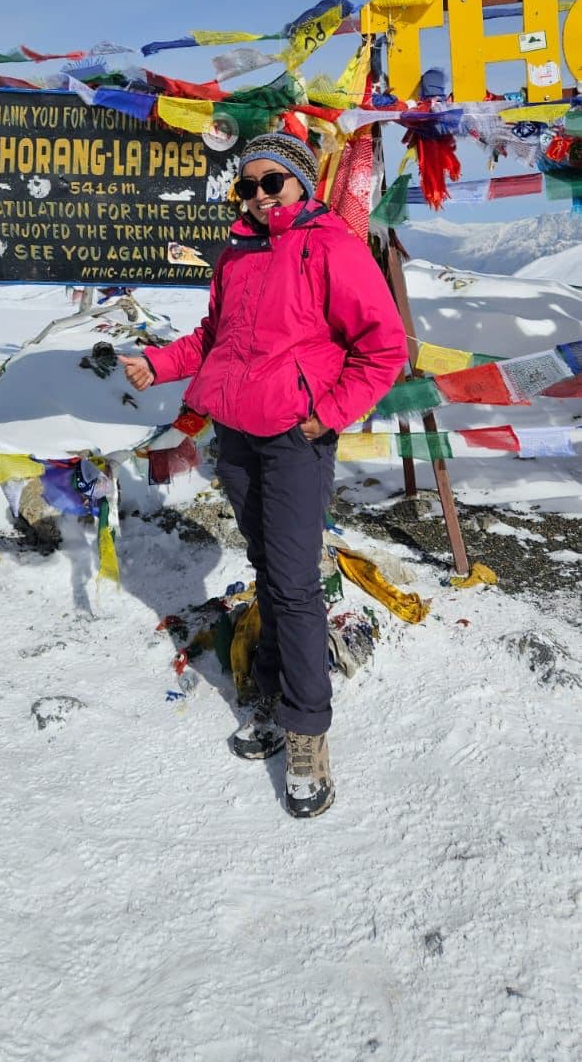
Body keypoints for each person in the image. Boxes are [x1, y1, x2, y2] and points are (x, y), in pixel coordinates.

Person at [119, 123, 406, 819]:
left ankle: (307, 731)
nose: (255, 195)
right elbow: (217, 338)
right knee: (272, 573)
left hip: (293, 436)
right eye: (245, 185)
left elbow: (385, 345)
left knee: (295, 584)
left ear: (302, 183)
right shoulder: (239, 252)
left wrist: (327, 412)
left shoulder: (330, 244)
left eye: (270, 181)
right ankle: (278, 700)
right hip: (238, 435)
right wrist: (158, 363)